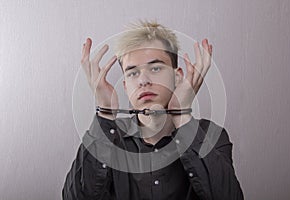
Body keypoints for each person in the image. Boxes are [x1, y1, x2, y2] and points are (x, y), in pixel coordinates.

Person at [62, 21, 244, 200]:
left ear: (178, 77)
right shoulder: (109, 136)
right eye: (133, 72)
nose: (143, 80)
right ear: (125, 86)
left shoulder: (209, 135)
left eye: (155, 68)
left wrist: (182, 115)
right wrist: (105, 113)